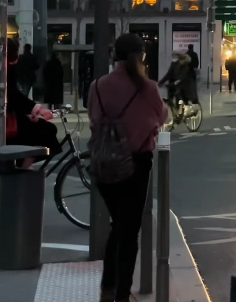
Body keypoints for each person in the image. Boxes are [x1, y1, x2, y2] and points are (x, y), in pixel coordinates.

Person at [90, 33, 166, 302]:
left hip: (105, 165)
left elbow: (93, 119)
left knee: (117, 226)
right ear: (142, 56)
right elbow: (161, 116)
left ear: (114, 56)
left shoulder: (98, 86)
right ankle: (122, 295)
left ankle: (107, 290)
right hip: (136, 165)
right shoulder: (148, 88)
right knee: (128, 233)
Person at [0, 39, 62, 176]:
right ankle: (23, 170)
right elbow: (14, 97)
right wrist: (38, 110)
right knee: (48, 130)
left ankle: (22, 167)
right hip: (4, 124)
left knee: (41, 132)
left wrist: (28, 112)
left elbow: (12, 98)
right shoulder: (4, 71)